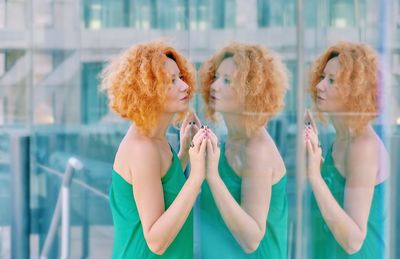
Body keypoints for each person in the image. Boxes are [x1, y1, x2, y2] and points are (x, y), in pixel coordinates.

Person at [102, 41, 206, 258]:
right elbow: (156, 241)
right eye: (171, 81)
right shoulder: (142, 149)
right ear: (148, 90)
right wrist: (196, 177)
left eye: (180, 77)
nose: (184, 86)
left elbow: (161, 188)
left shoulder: (155, 138)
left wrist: (184, 155)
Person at [198, 42, 289, 258]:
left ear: (251, 92)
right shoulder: (231, 140)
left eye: (227, 81)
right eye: (216, 77)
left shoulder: (257, 150)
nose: (214, 86)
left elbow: (251, 240)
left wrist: (212, 176)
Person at [305, 41, 389, 258]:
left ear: (355, 91)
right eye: (323, 77)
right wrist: (317, 158)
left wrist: (315, 176)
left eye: (332, 81)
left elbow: (353, 241)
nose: (320, 86)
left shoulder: (363, 146)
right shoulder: (342, 139)